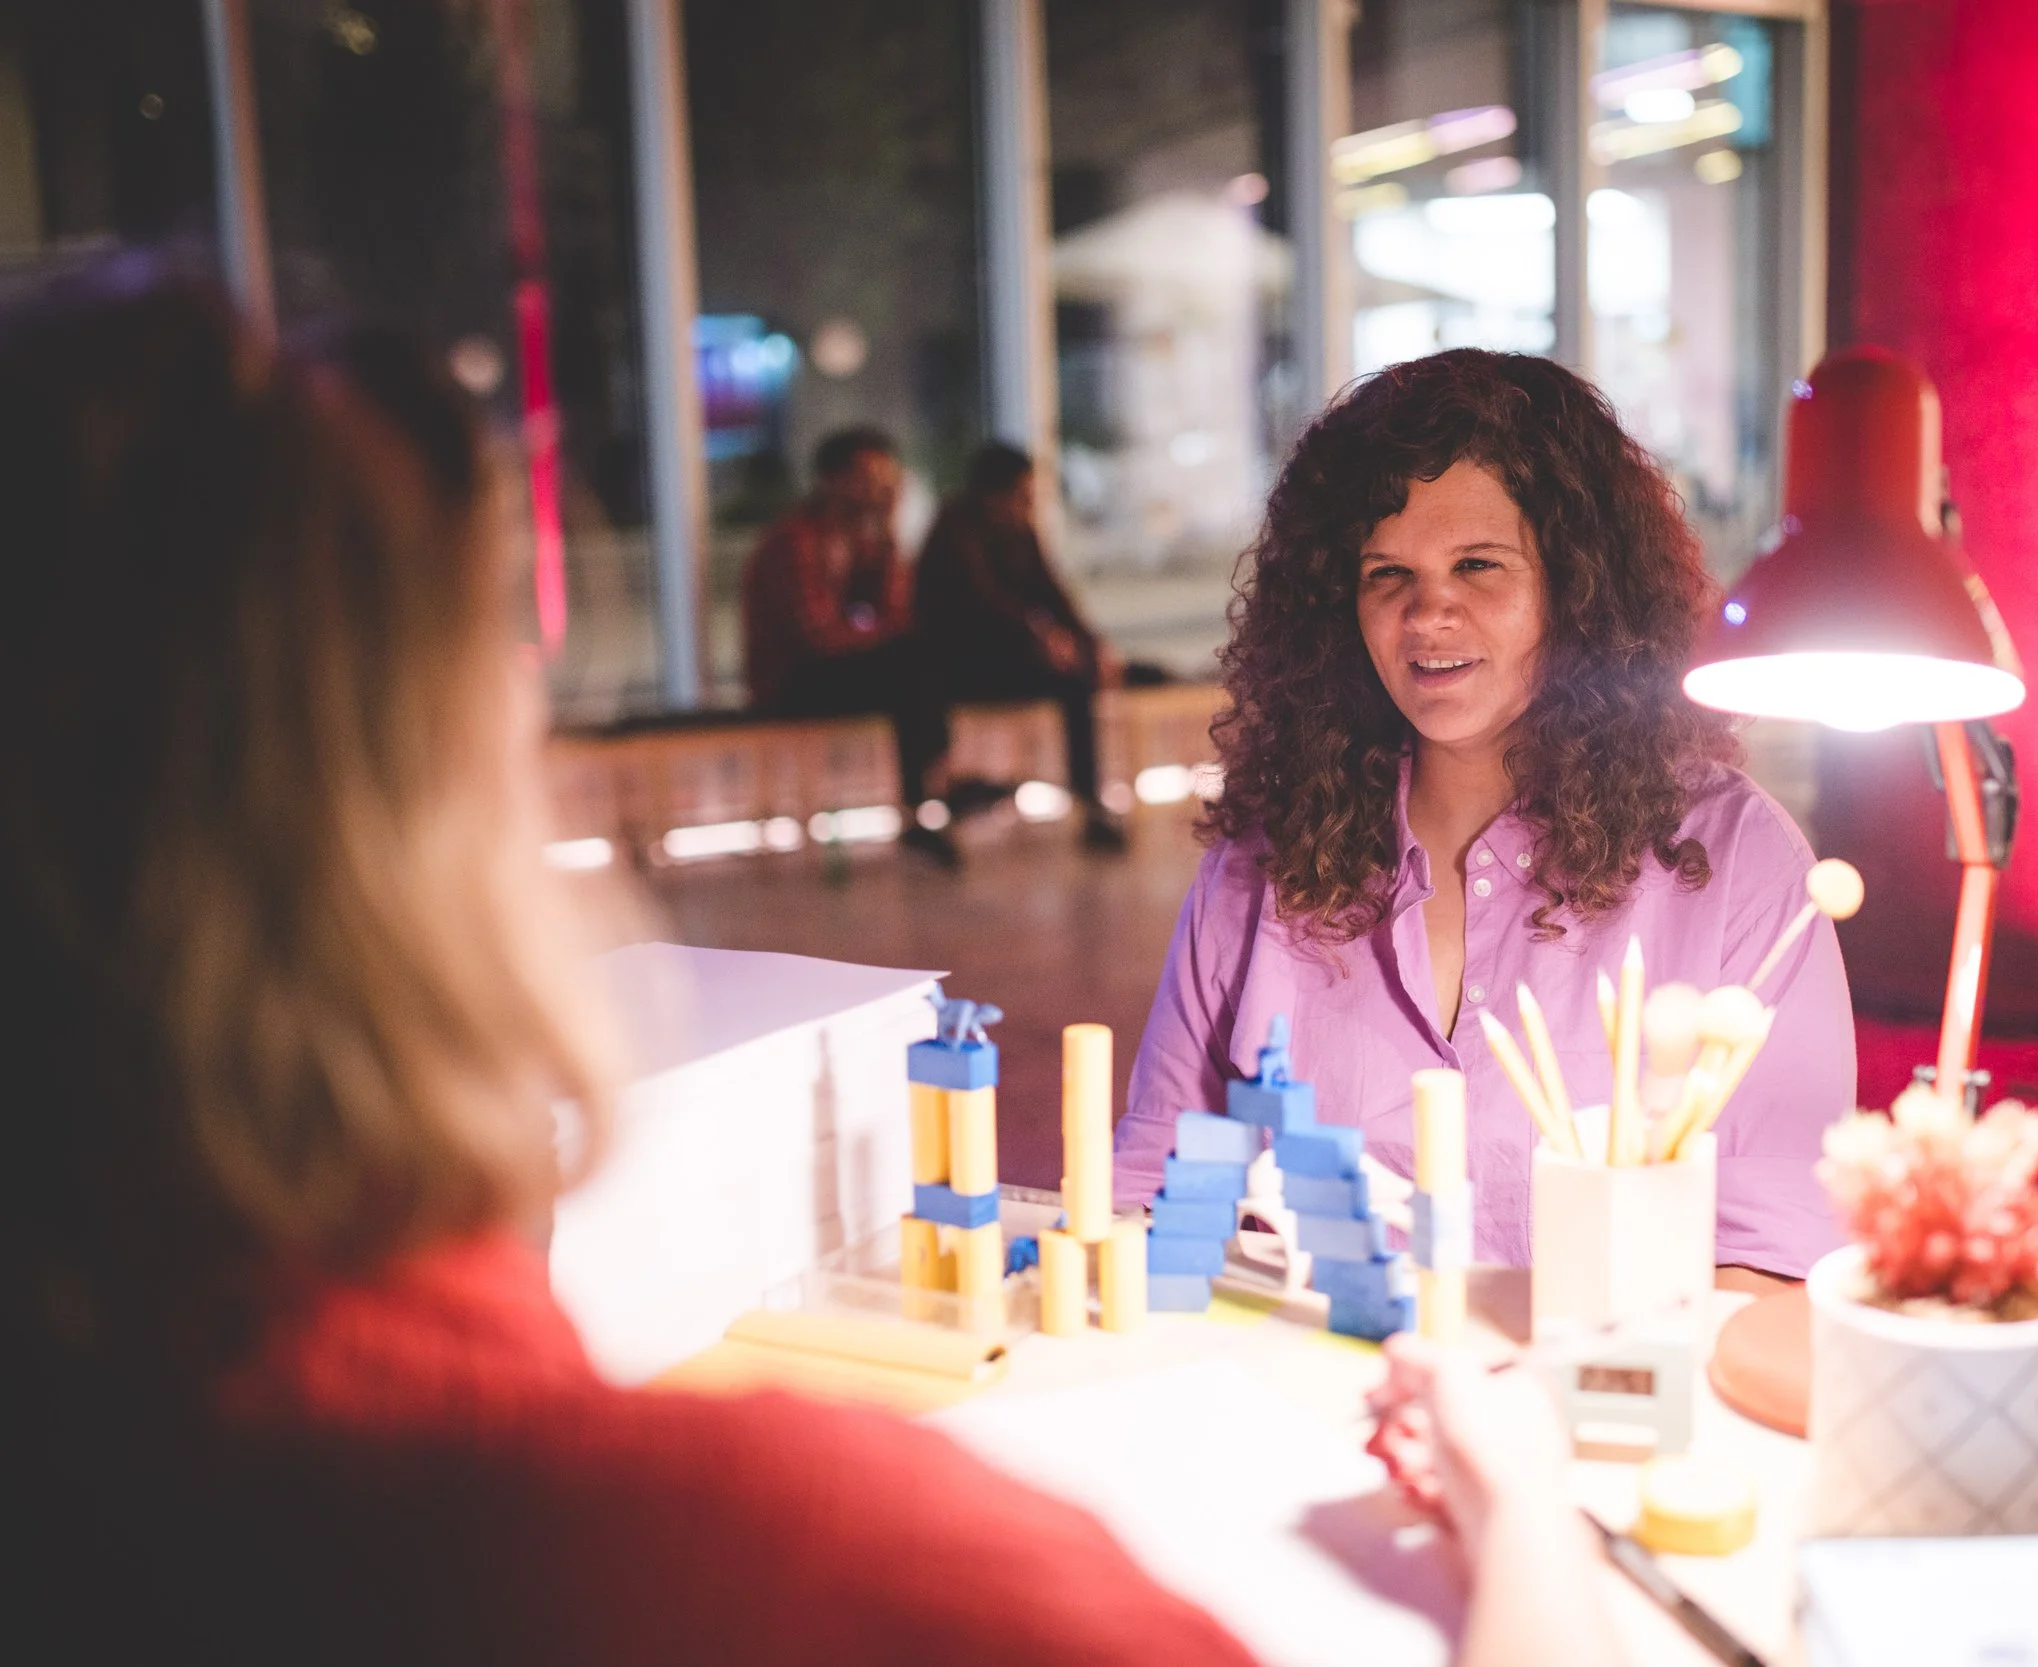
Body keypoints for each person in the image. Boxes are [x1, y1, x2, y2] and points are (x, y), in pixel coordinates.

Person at [0, 267, 1633, 1667]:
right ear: (434, 810)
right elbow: (1143, 1176)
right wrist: (1531, 1524)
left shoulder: (115, 1463)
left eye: (1479, 568)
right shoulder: (785, 1561)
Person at [1116, 350, 1855, 1282]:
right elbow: (1157, 1184)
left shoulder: (1738, 864)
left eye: (1478, 564)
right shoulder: (1260, 863)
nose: (1429, 611)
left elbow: (1774, 1259)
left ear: (1579, 588)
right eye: (1387, 573)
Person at [743, 426, 960, 866]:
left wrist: (889, 535)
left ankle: (928, 797)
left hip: (835, 667)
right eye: (866, 478)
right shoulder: (797, 540)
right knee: (914, 661)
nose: (877, 489)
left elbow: (896, 612)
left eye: (886, 479)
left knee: (921, 659)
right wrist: (880, 638)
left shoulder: (864, 539)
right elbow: (817, 635)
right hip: (790, 681)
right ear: (832, 480)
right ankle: (935, 789)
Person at [916, 442, 1127, 851]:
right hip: (959, 666)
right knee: (1067, 673)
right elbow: (981, 602)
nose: (1029, 503)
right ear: (993, 494)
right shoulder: (955, 530)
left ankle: (1090, 801)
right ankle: (937, 809)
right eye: (1022, 493)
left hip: (1008, 659)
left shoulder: (1018, 529)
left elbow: (1052, 592)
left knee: (1076, 676)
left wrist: (1090, 643)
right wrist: (1042, 636)